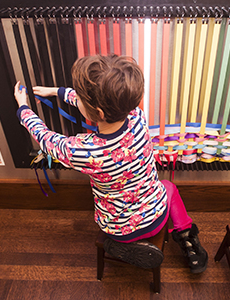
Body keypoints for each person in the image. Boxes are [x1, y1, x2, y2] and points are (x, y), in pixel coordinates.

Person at [14, 54, 208, 273]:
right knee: (169, 187)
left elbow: (46, 138)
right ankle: (187, 239)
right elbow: (97, 101)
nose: (76, 98)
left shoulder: (82, 151)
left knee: (117, 223)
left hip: (118, 229)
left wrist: (23, 108)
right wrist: (57, 91)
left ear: (97, 113)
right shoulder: (137, 117)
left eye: (78, 98)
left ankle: (118, 246)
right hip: (156, 216)